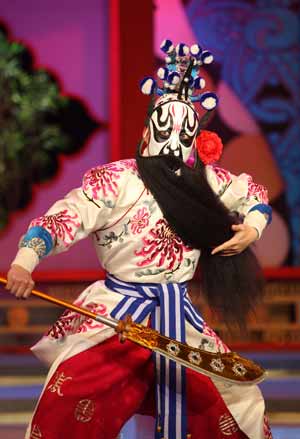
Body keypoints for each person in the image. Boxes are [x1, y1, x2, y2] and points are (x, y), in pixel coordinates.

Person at [6, 40, 273, 439]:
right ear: (149, 128)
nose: (173, 135)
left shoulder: (207, 181)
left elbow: (255, 194)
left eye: (185, 128)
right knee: (65, 407)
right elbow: (66, 217)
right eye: (165, 124)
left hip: (178, 319)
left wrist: (252, 227)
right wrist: (26, 259)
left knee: (239, 407)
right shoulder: (116, 181)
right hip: (117, 315)